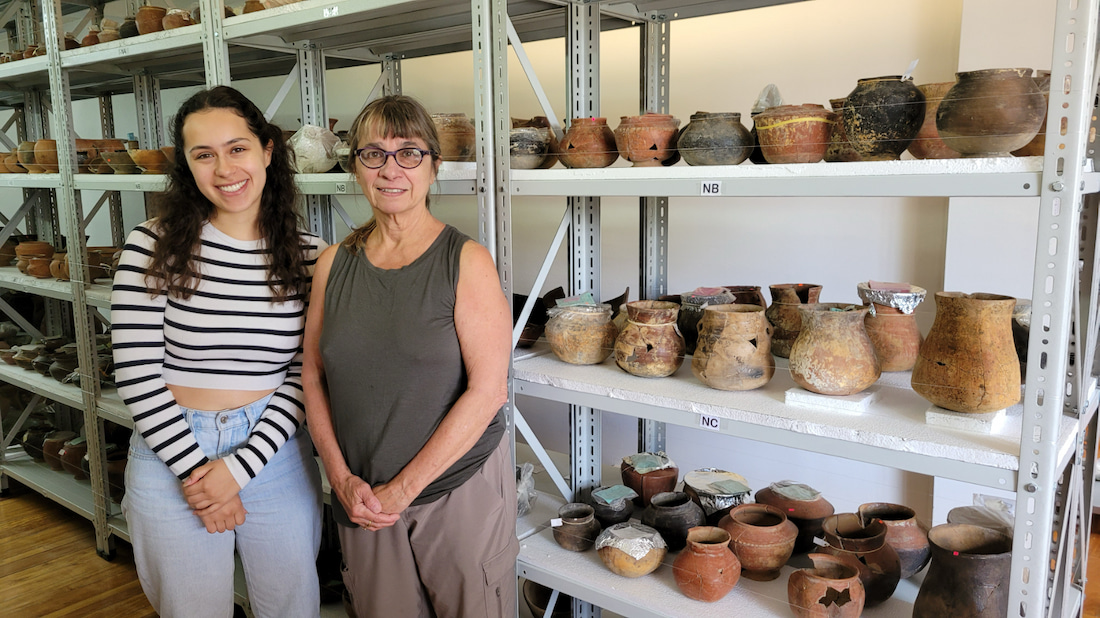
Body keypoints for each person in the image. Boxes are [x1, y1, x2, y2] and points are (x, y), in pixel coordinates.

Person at [112, 85, 324, 618]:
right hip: (170, 451)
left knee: (291, 608)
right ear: (186, 167)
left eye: (237, 148)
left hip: (273, 450)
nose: (224, 168)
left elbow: (305, 372)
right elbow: (137, 374)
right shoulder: (151, 244)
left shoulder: (308, 254)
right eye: (203, 154)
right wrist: (200, 475)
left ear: (267, 150)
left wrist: (238, 470)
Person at [302, 95, 518, 617]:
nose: (390, 169)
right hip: (363, 498)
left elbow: (489, 391)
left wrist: (404, 489)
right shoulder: (334, 263)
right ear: (355, 166)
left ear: (435, 166)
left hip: (454, 490)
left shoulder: (466, 260)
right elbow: (312, 375)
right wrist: (340, 477)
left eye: (409, 153)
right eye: (373, 154)